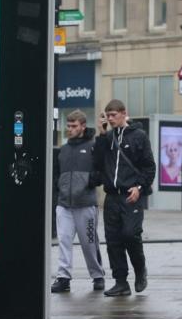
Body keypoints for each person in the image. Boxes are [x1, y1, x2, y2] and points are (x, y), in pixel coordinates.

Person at [93, 99, 155, 297]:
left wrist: (139, 187)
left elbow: (149, 166)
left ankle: (140, 270)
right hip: (112, 196)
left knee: (130, 234)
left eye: (114, 115)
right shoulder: (108, 136)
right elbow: (97, 162)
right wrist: (101, 134)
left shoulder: (139, 136)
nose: (110, 119)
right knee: (113, 240)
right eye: (108, 115)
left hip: (131, 195)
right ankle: (121, 282)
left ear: (123, 113)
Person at [51, 110, 106, 293]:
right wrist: (60, 187)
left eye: (74, 126)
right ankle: (63, 277)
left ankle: (97, 275)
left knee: (89, 242)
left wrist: (90, 182)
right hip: (64, 204)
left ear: (83, 126)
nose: (70, 129)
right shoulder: (63, 150)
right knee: (64, 240)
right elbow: (57, 173)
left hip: (86, 203)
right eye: (68, 125)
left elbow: (101, 170)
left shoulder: (92, 147)